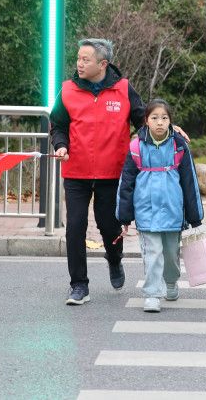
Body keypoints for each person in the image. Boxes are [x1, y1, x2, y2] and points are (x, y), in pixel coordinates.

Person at [50, 38, 145, 306]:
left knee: (108, 227)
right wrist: (61, 146)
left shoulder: (123, 89)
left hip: (112, 173)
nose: (79, 64)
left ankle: (114, 259)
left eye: (86, 60)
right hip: (76, 172)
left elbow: (143, 122)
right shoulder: (67, 90)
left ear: (102, 64)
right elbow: (57, 125)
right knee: (75, 228)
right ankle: (79, 285)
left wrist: (163, 138)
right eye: (78, 58)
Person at [116, 99, 203, 313]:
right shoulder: (136, 146)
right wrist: (124, 216)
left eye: (164, 118)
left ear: (170, 122)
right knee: (152, 253)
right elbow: (126, 182)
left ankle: (171, 282)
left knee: (172, 254)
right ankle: (152, 294)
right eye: (154, 118)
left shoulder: (179, 145)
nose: (159, 123)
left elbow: (189, 181)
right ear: (146, 121)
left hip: (173, 210)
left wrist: (195, 216)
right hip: (146, 211)